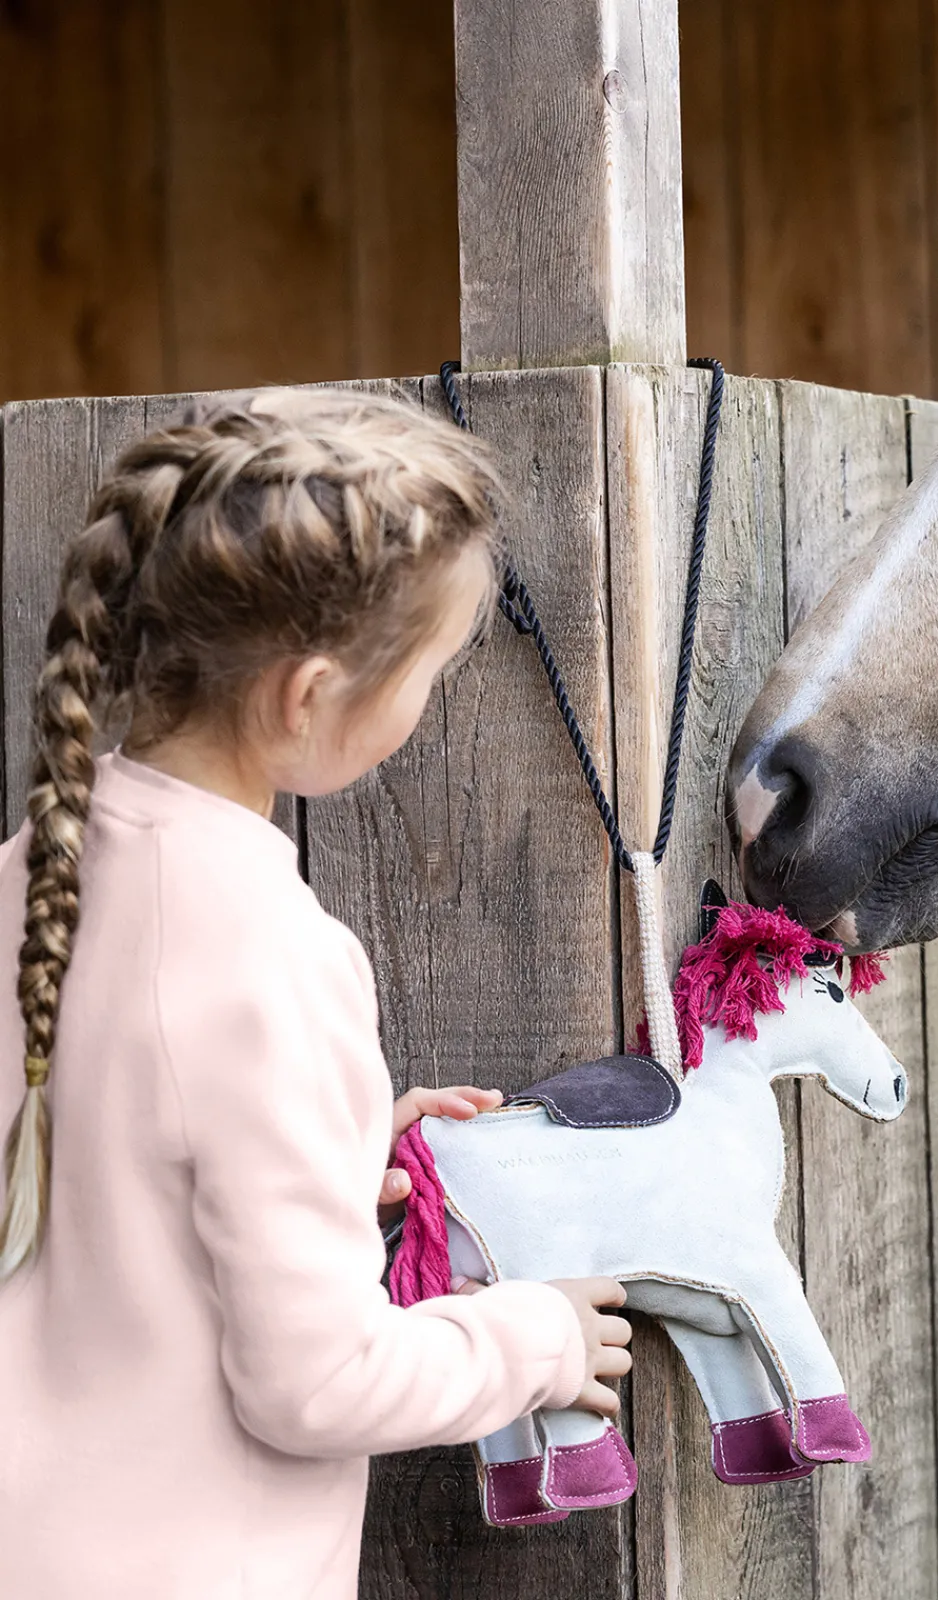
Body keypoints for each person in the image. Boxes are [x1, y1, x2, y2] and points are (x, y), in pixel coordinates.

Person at [0, 388, 631, 1598]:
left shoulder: (44, 864)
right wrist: (532, 1337)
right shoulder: (274, 952)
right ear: (307, 695)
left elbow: (108, 1171)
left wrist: (335, 1155)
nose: (424, 708)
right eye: (428, 677)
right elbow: (317, 1384)